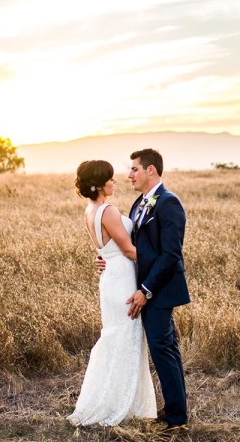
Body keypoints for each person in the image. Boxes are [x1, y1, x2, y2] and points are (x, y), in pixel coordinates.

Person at [97, 148, 190, 431]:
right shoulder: (140, 203)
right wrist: (107, 257)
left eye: (134, 169)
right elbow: (136, 248)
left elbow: (171, 255)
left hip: (160, 290)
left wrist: (146, 290)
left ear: (151, 170)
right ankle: (176, 410)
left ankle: (177, 419)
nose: (128, 175)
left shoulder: (169, 203)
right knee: (166, 349)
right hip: (146, 287)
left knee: (163, 349)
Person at [67, 159, 156, 427]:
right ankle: (119, 403)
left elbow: (102, 248)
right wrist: (162, 260)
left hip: (109, 278)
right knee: (125, 337)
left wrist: (101, 257)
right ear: (99, 184)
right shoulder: (108, 210)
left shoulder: (89, 210)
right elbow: (129, 250)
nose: (115, 181)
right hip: (122, 279)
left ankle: (115, 398)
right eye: (110, 178)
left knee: (116, 336)